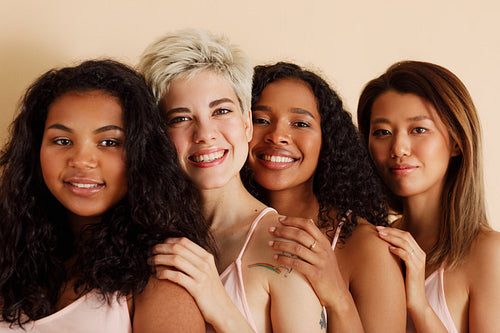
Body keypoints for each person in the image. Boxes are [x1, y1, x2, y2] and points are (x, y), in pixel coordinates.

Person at [0, 59, 213, 332]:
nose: (82, 160)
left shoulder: (162, 272)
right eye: (62, 141)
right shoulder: (13, 253)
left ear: (142, 155)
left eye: (109, 142)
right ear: (35, 150)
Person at [138, 29, 324, 333]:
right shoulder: (147, 235)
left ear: (247, 124)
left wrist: (220, 307)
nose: (205, 134)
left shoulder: (285, 248)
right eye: (181, 118)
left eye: (221, 111)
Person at [241, 61, 406, 332]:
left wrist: (337, 295)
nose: (278, 136)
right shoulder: (216, 231)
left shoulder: (365, 248)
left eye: (300, 123)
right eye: (261, 120)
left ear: (327, 141)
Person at [357, 60, 500, 332]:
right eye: (382, 132)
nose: (398, 148)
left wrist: (419, 305)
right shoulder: (371, 243)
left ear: (457, 142)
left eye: (418, 130)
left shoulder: (490, 253)